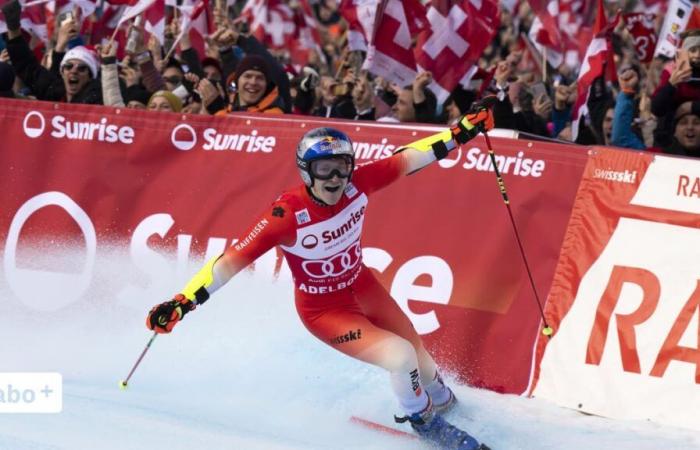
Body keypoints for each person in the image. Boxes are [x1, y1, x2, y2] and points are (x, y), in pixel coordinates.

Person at [145, 104, 496, 450]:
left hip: (361, 285)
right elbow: (229, 262)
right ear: (306, 172)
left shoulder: (358, 184)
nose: (335, 179)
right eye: (324, 169)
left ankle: (442, 399)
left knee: (417, 352)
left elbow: (408, 158)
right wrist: (183, 302)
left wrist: (460, 132)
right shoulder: (285, 216)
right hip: (324, 311)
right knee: (400, 356)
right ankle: (424, 422)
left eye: (341, 168)